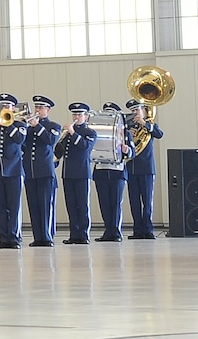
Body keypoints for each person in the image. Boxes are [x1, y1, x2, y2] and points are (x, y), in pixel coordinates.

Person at [0, 94, 27, 249]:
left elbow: (19, 139)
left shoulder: (20, 125)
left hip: (14, 171)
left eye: (8, 106)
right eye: (3, 106)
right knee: (1, 206)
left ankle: (14, 238)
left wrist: (8, 124)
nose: (5, 109)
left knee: (14, 206)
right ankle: (3, 238)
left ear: (13, 109)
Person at [24, 95, 62, 247]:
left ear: (48, 110)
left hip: (45, 172)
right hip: (30, 171)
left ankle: (47, 236)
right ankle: (37, 237)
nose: (37, 110)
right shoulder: (28, 127)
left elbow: (50, 141)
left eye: (40, 108)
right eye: (36, 107)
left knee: (46, 205)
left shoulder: (53, 126)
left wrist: (37, 126)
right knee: (33, 206)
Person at [57, 102, 97, 244]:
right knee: (71, 205)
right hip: (68, 173)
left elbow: (84, 147)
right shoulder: (67, 133)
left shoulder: (90, 132)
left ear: (86, 117)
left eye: (79, 115)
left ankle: (84, 234)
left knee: (83, 205)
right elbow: (60, 150)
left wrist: (73, 133)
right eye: (74, 114)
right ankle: (74, 234)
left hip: (81, 173)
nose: (76, 117)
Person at [123, 100, 162, 240]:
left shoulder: (149, 126)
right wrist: (128, 135)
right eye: (132, 111)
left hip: (146, 168)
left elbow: (159, 134)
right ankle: (137, 230)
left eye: (137, 110)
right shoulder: (127, 128)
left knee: (147, 201)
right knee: (134, 201)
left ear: (144, 111)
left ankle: (148, 229)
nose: (135, 113)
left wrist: (144, 123)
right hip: (131, 169)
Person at [94, 101, 128, 242]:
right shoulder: (96, 132)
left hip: (117, 172)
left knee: (115, 203)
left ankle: (116, 231)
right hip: (101, 171)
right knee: (104, 203)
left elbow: (132, 150)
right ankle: (108, 231)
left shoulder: (124, 133)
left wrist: (127, 150)